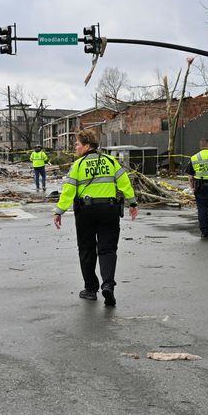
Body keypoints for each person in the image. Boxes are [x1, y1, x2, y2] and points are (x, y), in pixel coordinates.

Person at [53, 130, 138, 306]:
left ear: (86, 145)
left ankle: (91, 289)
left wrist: (59, 211)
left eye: (77, 144)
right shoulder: (110, 161)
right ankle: (108, 285)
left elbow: (69, 190)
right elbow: (124, 183)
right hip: (109, 209)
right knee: (108, 249)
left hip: (86, 211)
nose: (75, 148)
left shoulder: (78, 165)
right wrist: (132, 203)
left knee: (86, 249)